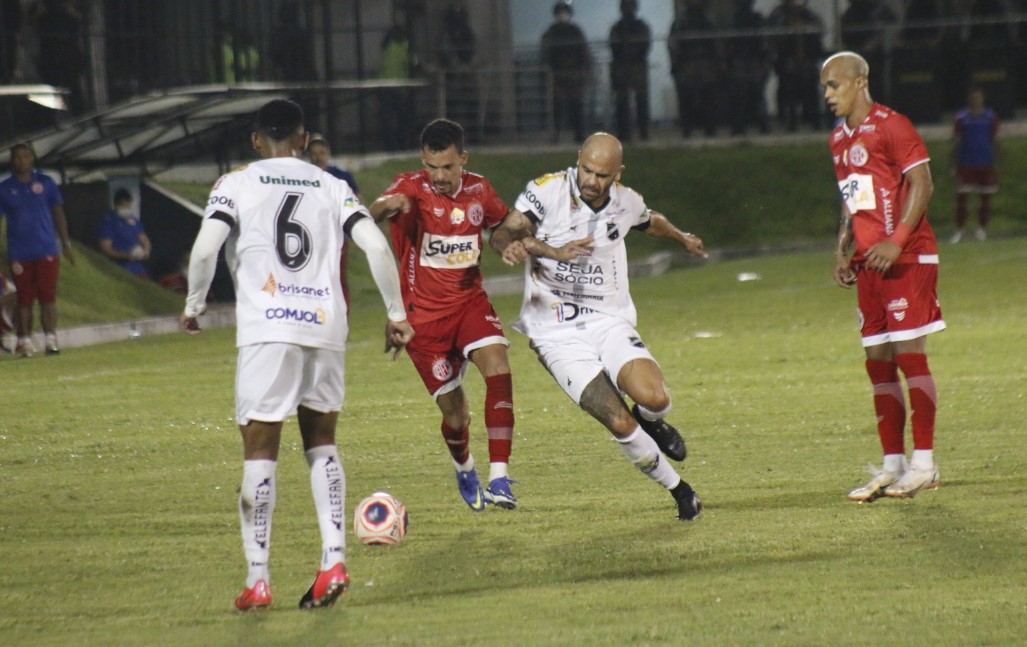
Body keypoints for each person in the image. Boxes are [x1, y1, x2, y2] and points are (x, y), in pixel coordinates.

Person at [180, 99, 413, 611]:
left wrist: (194, 304)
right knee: (322, 442)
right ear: (305, 142)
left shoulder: (236, 182)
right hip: (326, 327)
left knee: (260, 448)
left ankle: (257, 578)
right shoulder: (333, 186)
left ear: (256, 141)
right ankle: (333, 558)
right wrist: (397, 313)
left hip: (269, 329)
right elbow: (376, 247)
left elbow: (205, 249)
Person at [489, 132, 707, 521]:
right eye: (586, 170)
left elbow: (649, 221)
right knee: (618, 419)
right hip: (554, 332)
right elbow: (507, 228)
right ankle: (680, 490)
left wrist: (681, 237)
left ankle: (652, 422)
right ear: (578, 160)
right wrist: (509, 244)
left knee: (654, 398)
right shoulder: (549, 191)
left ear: (617, 174)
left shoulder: (627, 201)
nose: (591, 181)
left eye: (602, 175)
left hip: (608, 320)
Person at [368, 118, 519, 512]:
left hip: (470, 304)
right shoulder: (410, 188)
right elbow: (376, 209)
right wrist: (389, 206)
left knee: (499, 370)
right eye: (432, 167)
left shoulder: (479, 189)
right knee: (456, 415)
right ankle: (464, 465)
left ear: (463, 160)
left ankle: (500, 479)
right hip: (424, 321)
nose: (439, 176)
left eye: (448, 167)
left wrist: (507, 244)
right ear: (423, 162)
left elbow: (500, 223)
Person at [821, 52, 944, 503]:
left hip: (907, 258)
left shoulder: (893, 124)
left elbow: (923, 183)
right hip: (868, 263)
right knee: (877, 361)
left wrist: (898, 238)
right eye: (825, 88)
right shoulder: (839, 138)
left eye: (834, 85)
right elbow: (850, 196)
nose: (829, 95)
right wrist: (841, 247)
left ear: (860, 82)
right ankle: (893, 464)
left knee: (911, 356)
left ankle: (925, 464)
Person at [0, 142, 75, 357]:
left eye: (26, 156)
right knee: (24, 298)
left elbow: (58, 214)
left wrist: (65, 244)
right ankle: (24, 341)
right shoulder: (4, 188)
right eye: (17, 157)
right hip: (20, 253)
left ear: (32, 158)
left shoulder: (46, 183)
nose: (22, 161)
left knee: (48, 297)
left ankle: (51, 339)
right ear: (11, 161)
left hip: (47, 250)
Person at [308, 137, 359, 308]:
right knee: (315, 278)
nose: (318, 157)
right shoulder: (303, 177)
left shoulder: (341, 176)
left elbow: (356, 201)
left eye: (321, 153)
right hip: (312, 237)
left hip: (337, 236)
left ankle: (342, 315)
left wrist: (357, 230)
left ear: (328, 153)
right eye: (314, 154)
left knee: (338, 278)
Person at [950, 87, 999, 243]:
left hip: (985, 162)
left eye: (978, 97)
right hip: (966, 163)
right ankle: (960, 230)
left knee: (985, 198)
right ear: (969, 100)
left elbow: (996, 140)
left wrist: (998, 161)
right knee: (962, 198)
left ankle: (982, 229)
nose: (976, 100)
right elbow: (956, 141)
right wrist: (953, 163)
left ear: (982, 99)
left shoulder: (990, 117)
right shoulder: (962, 117)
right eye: (973, 98)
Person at [767, 0, 825, 131]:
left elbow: (819, 30)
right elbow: (773, 36)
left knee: (811, 92)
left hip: (807, 61)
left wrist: (804, 27)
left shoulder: (808, 15)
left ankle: (814, 121)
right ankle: (789, 122)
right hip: (787, 61)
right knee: (788, 93)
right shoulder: (778, 15)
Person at [668, 0, 721, 138]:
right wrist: (676, 63)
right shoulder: (680, 22)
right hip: (687, 64)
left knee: (708, 97)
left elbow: (715, 44)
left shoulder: (708, 21)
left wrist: (716, 62)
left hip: (705, 63)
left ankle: (710, 128)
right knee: (686, 98)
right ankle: (687, 129)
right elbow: (673, 44)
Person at [541, 1, 592, 143]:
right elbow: (545, 53)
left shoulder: (576, 31)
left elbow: (584, 52)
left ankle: (579, 134)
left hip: (575, 75)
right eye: (560, 13)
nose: (562, 16)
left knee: (577, 106)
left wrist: (584, 72)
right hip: (558, 75)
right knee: (557, 107)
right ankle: (556, 134)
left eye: (564, 13)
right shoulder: (551, 32)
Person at [609, 0, 652, 142]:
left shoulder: (641, 26)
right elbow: (613, 45)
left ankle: (643, 132)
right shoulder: (617, 27)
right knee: (622, 102)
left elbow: (645, 45)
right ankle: (624, 132)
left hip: (636, 66)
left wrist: (633, 54)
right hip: (623, 66)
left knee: (641, 101)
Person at [98, 188, 151, 278]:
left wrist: (146, 251)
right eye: (124, 206)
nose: (127, 208)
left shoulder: (133, 220)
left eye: (128, 205)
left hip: (139, 269)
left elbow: (144, 239)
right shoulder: (109, 221)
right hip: (121, 269)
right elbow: (106, 248)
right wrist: (125, 255)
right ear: (117, 204)